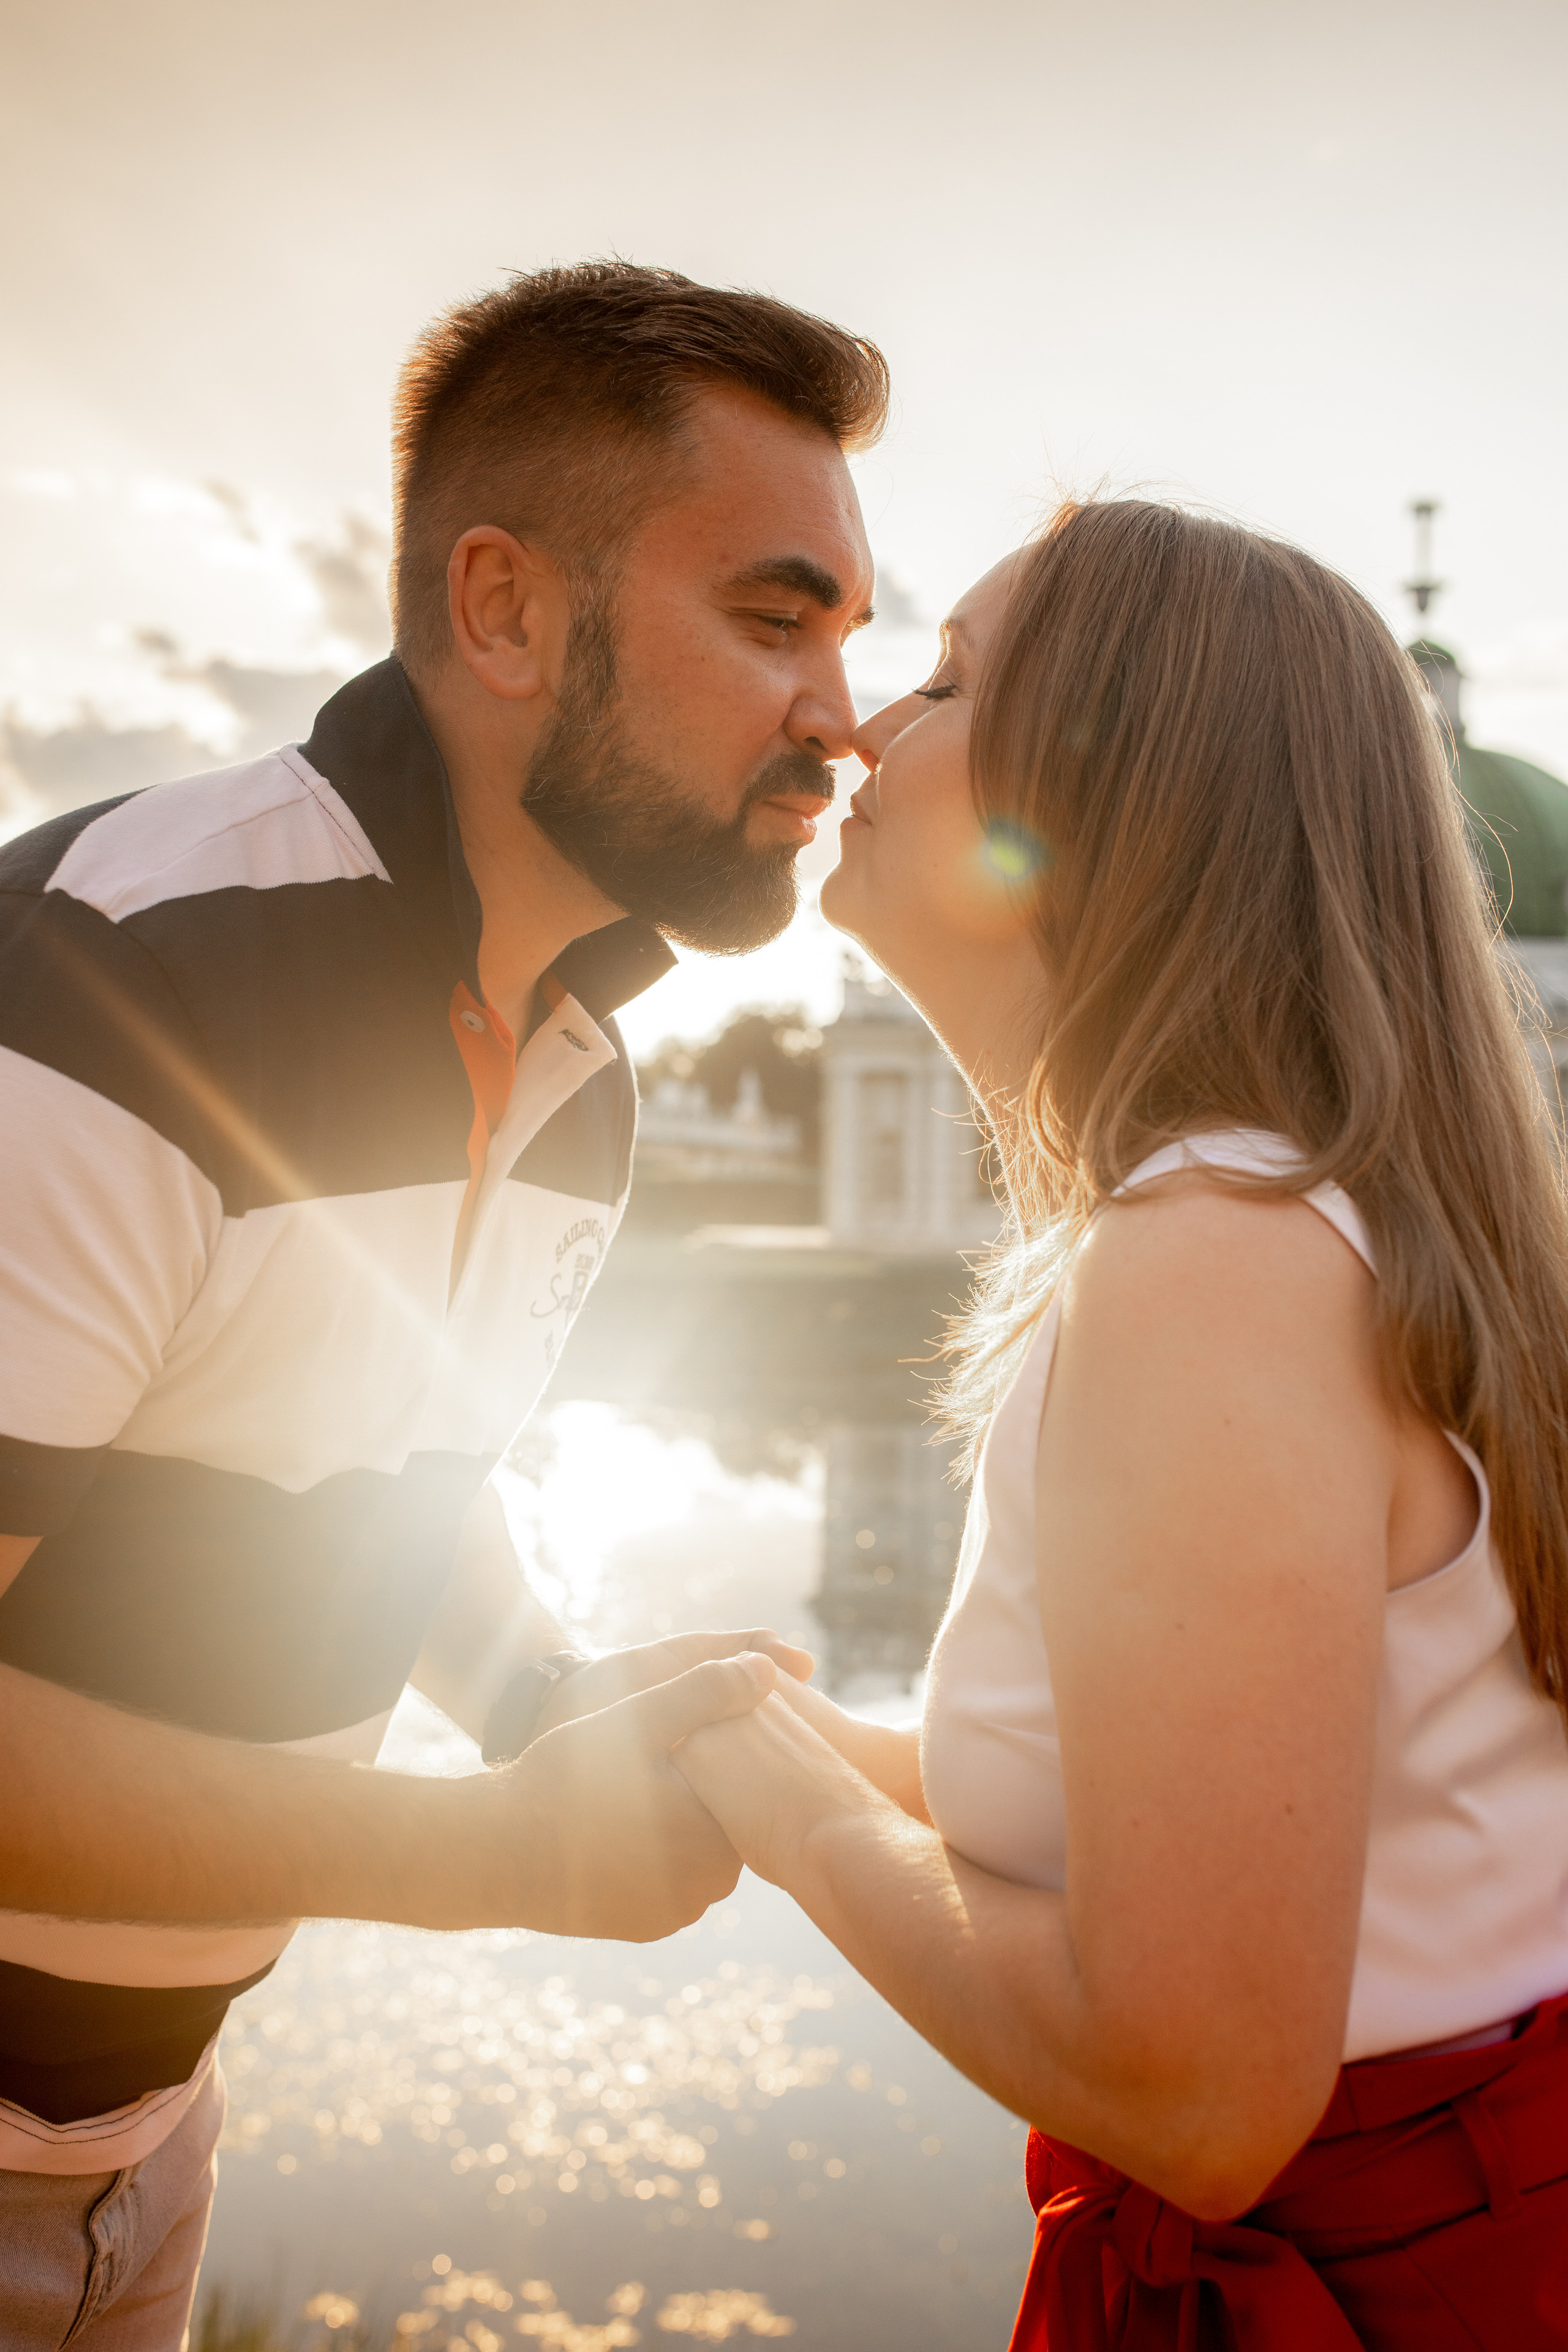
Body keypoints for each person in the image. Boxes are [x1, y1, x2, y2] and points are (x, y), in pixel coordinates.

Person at [0, 260, 884, 2345]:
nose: (841, 717)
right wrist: (493, 1853)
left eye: (849, 636)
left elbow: (386, 1452)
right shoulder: (122, 987)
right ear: (506, 612)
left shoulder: (583, 1077)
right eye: (773, 621)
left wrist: (539, 1702)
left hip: (148, 2142)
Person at [674, 500, 1568, 2348]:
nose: (858, 728)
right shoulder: (1288, 1226)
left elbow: (1197, 2093)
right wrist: (795, 1734)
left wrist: (774, 1803)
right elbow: (1192, 1805)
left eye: (938, 683)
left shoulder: (1212, 1263)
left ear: (1105, 801)